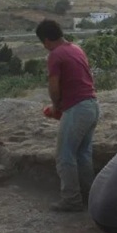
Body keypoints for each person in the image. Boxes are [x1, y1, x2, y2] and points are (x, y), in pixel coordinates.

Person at [36, 19, 100, 212]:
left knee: (65, 156)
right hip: (92, 105)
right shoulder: (75, 48)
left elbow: (54, 87)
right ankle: (91, 196)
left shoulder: (55, 55)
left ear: (46, 40)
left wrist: (56, 107)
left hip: (78, 108)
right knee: (82, 155)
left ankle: (71, 200)